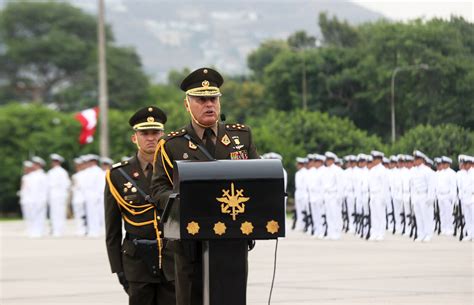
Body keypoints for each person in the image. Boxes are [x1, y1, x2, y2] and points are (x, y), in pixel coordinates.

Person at [151, 67, 259, 305]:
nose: (209, 104)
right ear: (187, 104)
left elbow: (257, 183)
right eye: (201, 99)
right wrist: (185, 202)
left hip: (232, 241)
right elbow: (157, 190)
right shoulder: (172, 145)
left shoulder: (242, 138)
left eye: (213, 99)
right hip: (190, 245)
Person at [105, 106, 176, 305]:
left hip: (173, 258)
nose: (151, 138)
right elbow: (112, 228)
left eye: (155, 132)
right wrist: (117, 267)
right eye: (145, 133)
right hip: (137, 262)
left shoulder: (176, 170)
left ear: (163, 136)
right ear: (134, 138)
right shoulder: (118, 175)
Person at [47, 153, 71, 237]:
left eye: (54, 161)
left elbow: (66, 185)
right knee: (55, 213)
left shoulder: (61, 172)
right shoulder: (52, 172)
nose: (53, 163)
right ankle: (56, 230)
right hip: (55, 194)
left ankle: (59, 230)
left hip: (58, 194)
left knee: (58, 213)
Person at [28, 156, 48, 237]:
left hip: (40, 198)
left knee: (40, 216)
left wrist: (44, 199)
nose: (34, 166)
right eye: (34, 164)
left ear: (40, 165)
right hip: (32, 198)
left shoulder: (43, 175)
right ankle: (34, 231)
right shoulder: (32, 175)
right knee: (33, 215)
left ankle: (39, 231)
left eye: (36, 164)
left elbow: (45, 189)